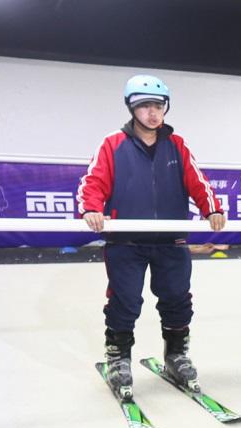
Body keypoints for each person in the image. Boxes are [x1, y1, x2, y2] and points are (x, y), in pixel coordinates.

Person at [78, 74, 226, 399]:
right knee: (125, 301)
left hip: (170, 240)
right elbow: (94, 182)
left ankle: (176, 355)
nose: (152, 113)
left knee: (177, 298)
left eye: (158, 106)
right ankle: (118, 358)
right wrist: (91, 207)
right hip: (125, 242)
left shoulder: (177, 145)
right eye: (145, 106)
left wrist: (211, 208)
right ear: (132, 108)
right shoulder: (113, 144)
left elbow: (198, 182)